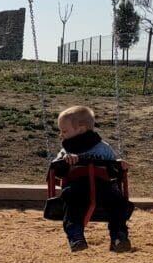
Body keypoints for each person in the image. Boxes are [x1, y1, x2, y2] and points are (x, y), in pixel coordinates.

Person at [52, 105, 132, 253]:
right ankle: (76, 237)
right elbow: (55, 169)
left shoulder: (103, 148)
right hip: (77, 187)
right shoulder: (66, 150)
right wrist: (66, 161)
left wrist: (119, 164)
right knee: (70, 198)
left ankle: (119, 237)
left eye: (64, 131)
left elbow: (114, 170)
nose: (60, 135)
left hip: (103, 186)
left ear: (81, 130)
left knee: (118, 201)